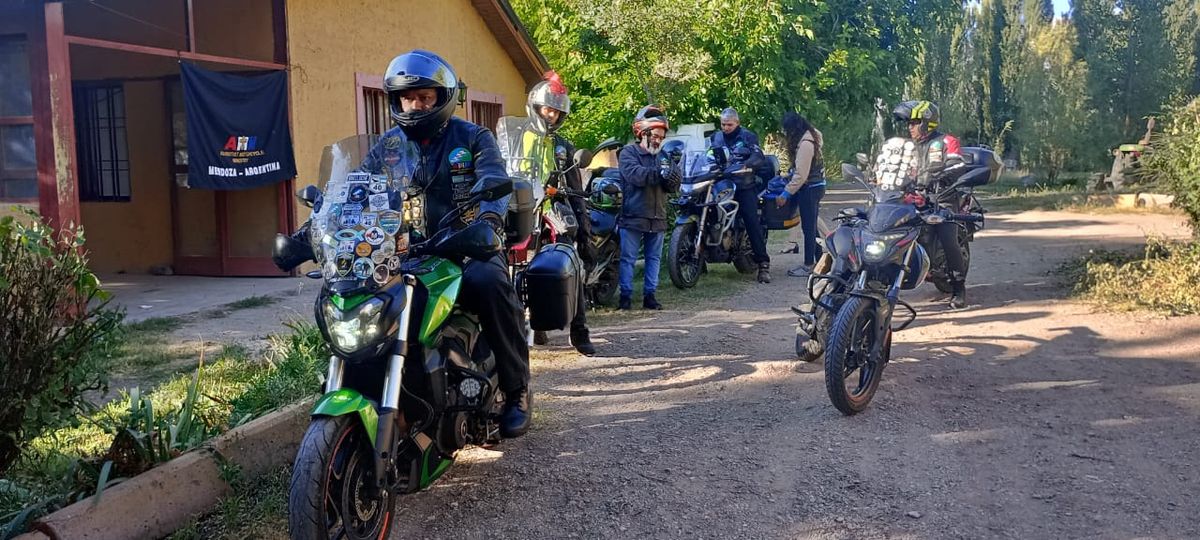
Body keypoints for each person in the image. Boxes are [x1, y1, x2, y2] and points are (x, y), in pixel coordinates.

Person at [362, 50, 533, 437]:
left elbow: (493, 180)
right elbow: (356, 190)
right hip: (405, 254)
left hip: (467, 247)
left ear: (443, 97)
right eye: (408, 97)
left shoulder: (473, 137)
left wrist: (489, 221)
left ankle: (516, 389)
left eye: (425, 97)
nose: (415, 105)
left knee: (489, 283)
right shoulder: (387, 148)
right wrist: (317, 229)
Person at [522, 71, 596, 356]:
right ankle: (530, 326)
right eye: (547, 109)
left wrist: (585, 232)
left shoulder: (563, 146)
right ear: (535, 106)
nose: (551, 115)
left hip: (552, 210)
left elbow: (575, 189)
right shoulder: (517, 139)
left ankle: (579, 331)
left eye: (556, 112)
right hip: (521, 208)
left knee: (569, 262)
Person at [892, 99, 969, 310]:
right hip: (912, 198)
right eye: (908, 123)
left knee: (948, 239)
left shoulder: (946, 141)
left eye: (914, 123)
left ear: (927, 122)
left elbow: (957, 164)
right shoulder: (906, 147)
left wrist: (942, 173)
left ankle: (959, 289)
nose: (910, 127)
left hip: (941, 199)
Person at [617, 105, 680, 310]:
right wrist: (659, 174)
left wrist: (674, 177)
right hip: (633, 215)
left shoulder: (663, 156)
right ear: (642, 133)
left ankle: (650, 296)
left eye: (661, 137)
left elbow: (672, 186)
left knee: (654, 258)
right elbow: (635, 175)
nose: (658, 140)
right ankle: (625, 297)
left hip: (658, 216)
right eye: (655, 136)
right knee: (628, 258)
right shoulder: (628, 153)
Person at [708, 108, 772, 283]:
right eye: (723, 124)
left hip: (743, 184)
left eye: (729, 124)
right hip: (720, 182)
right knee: (706, 211)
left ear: (737, 123)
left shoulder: (747, 136)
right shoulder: (716, 137)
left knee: (751, 220)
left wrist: (748, 165)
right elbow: (707, 154)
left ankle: (763, 264)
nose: (726, 128)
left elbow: (758, 155)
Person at [773, 112, 826, 277]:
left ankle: (808, 265)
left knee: (808, 228)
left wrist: (785, 193)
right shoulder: (813, 137)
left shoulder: (805, 145)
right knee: (812, 227)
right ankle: (821, 261)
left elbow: (801, 175)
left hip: (809, 188)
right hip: (816, 185)